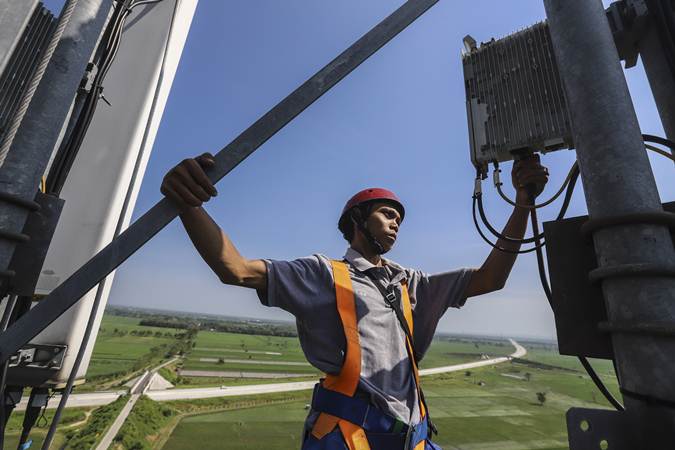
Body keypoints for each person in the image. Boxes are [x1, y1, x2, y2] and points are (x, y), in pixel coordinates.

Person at [161, 153, 548, 450]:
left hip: (412, 436)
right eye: (387, 214)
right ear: (358, 219)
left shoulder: (411, 284)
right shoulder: (323, 274)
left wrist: (522, 202)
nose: (396, 222)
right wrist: (188, 204)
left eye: (399, 218)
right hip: (350, 435)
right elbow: (237, 269)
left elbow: (491, 279)